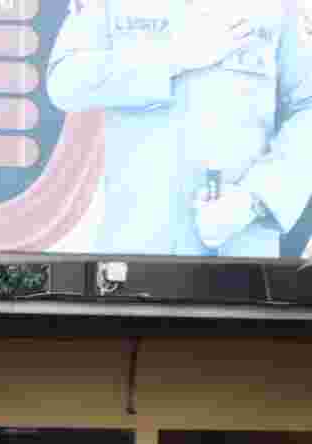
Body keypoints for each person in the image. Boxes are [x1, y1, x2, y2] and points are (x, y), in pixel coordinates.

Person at [45, 0, 312, 258]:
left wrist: (254, 200)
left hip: (239, 245)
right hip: (137, 247)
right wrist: (172, 55)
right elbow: (65, 82)